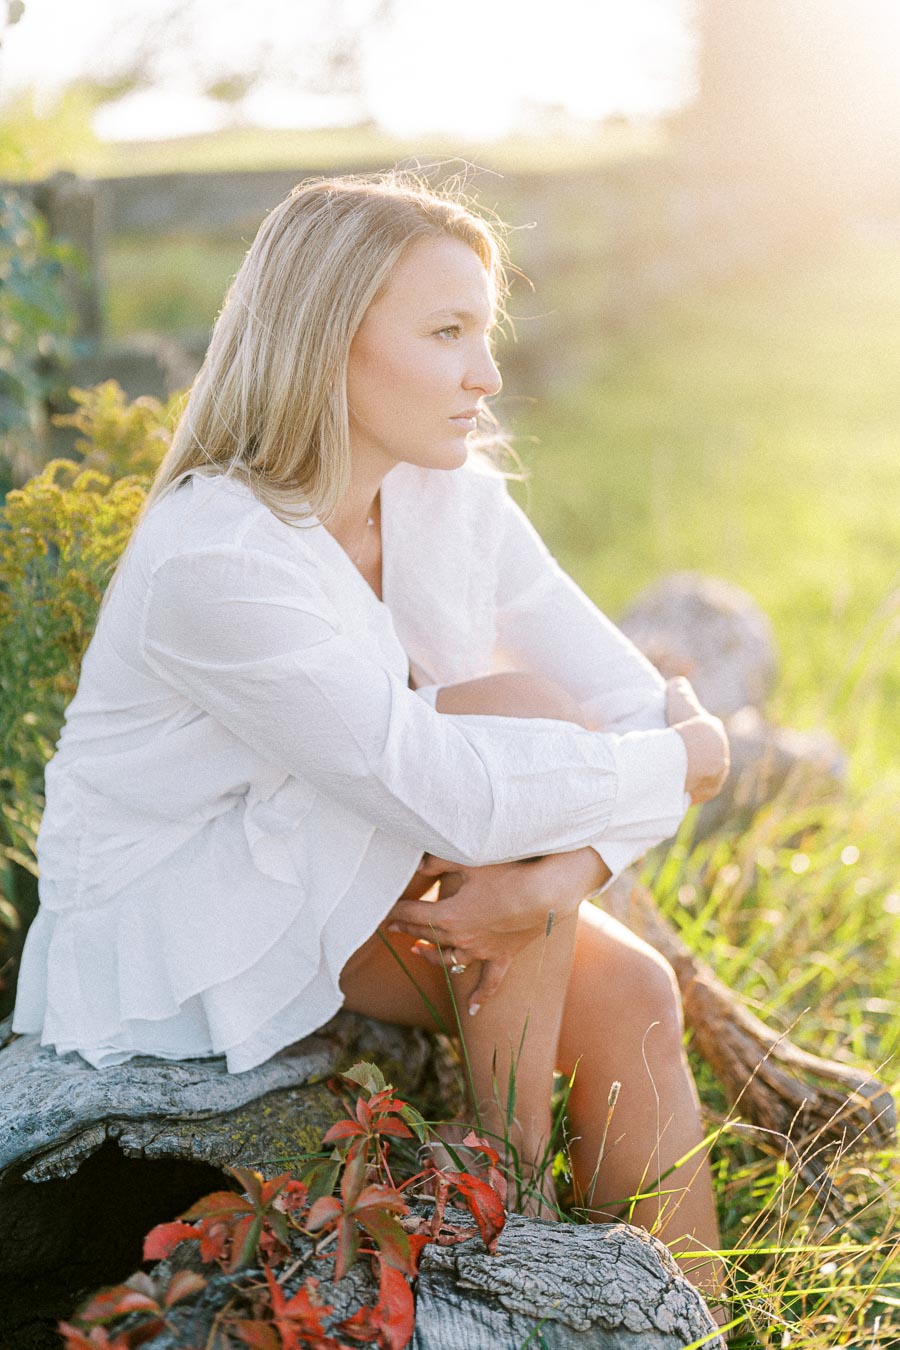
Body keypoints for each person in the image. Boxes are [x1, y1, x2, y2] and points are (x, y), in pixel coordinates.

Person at [12, 172, 729, 1301]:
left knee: (633, 993)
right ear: (327, 341)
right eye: (447, 334)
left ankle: (681, 1316)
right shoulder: (219, 556)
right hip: (186, 921)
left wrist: (566, 879)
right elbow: (465, 787)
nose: (486, 376)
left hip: (349, 863)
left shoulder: (449, 494)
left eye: (482, 334)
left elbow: (629, 698)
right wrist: (683, 763)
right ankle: (512, 1195)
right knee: (516, 721)